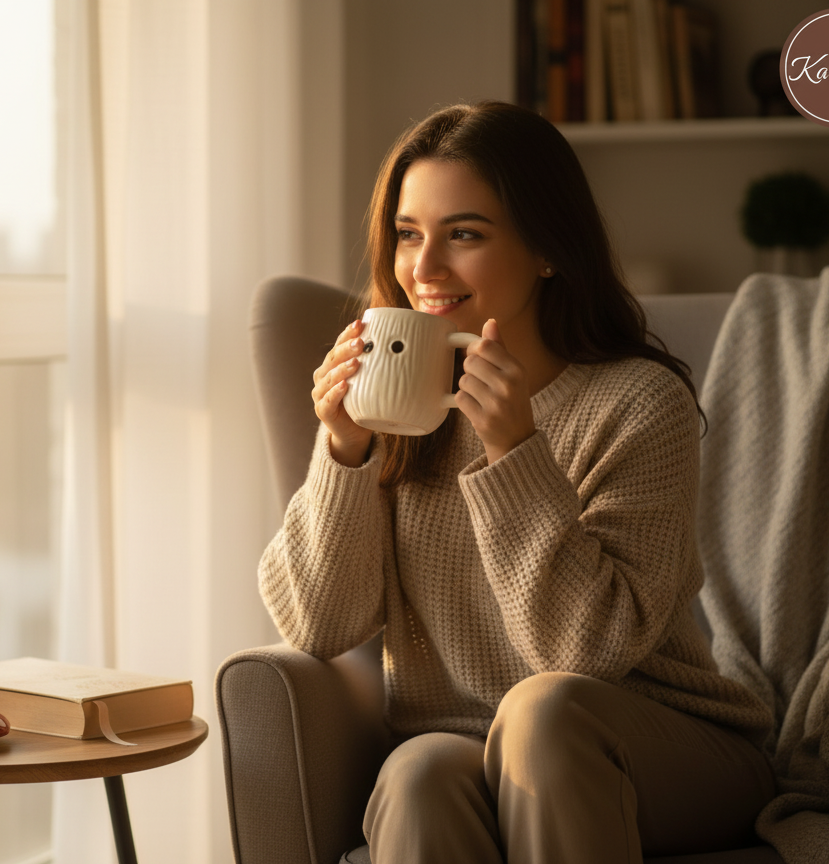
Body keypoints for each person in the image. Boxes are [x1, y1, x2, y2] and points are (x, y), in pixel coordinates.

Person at [257, 101, 776, 863]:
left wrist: (513, 453)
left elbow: (586, 652)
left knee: (544, 714)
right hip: (468, 744)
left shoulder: (638, 402)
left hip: (660, 742)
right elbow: (319, 626)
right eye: (409, 234)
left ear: (546, 249)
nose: (424, 269)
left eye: (464, 234)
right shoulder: (401, 413)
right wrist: (345, 449)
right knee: (418, 773)